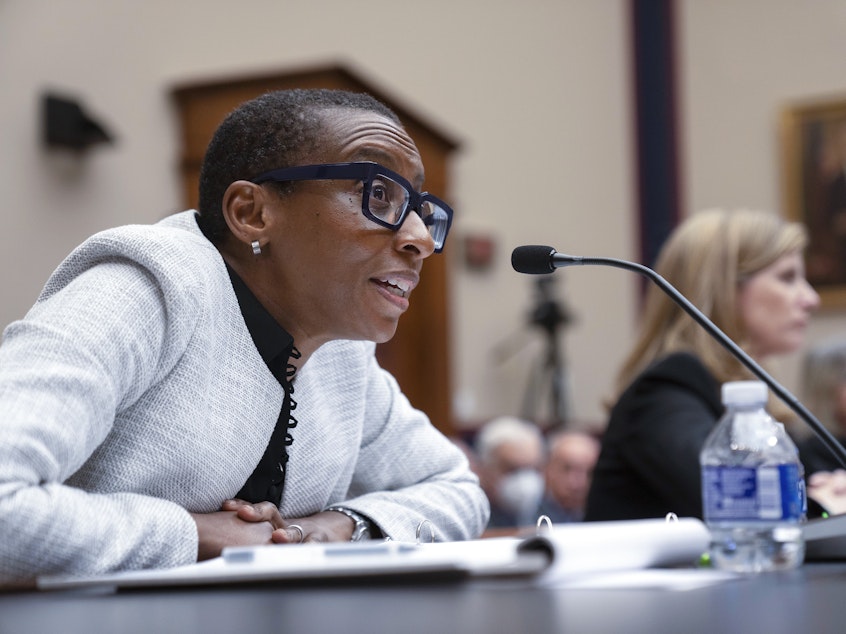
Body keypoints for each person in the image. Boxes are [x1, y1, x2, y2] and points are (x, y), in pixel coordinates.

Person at [0, 88, 489, 585]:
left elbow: (456, 489)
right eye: (378, 193)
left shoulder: (342, 353)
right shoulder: (144, 290)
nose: (422, 240)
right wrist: (193, 536)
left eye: (420, 209)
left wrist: (334, 529)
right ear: (252, 213)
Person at [584, 208, 820, 522]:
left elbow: (814, 471)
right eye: (788, 277)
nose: (811, 299)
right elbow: (740, 502)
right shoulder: (665, 392)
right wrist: (825, 503)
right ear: (723, 289)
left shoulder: (744, 397)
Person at [474, 416, 545, 529]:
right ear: (484, 468)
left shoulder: (547, 516)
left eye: (531, 469)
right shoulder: (471, 519)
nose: (524, 481)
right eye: (513, 469)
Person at [537, 430, 600, 523]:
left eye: (589, 472)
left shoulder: (605, 516)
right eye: (567, 469)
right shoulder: (525, 514)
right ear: (547, 469)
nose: (578, 484)